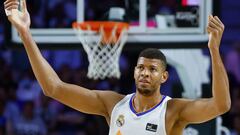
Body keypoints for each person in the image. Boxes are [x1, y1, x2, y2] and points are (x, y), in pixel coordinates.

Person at [4, 0, 231, 134]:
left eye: (152, 69)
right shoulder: (113, 104)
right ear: (133, 72)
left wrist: (213, 49)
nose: (145, 72)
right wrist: (25, 33)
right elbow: (53, 88)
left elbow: (221, 105)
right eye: (141, 67)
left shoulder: (174, 111)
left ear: (164, 76)